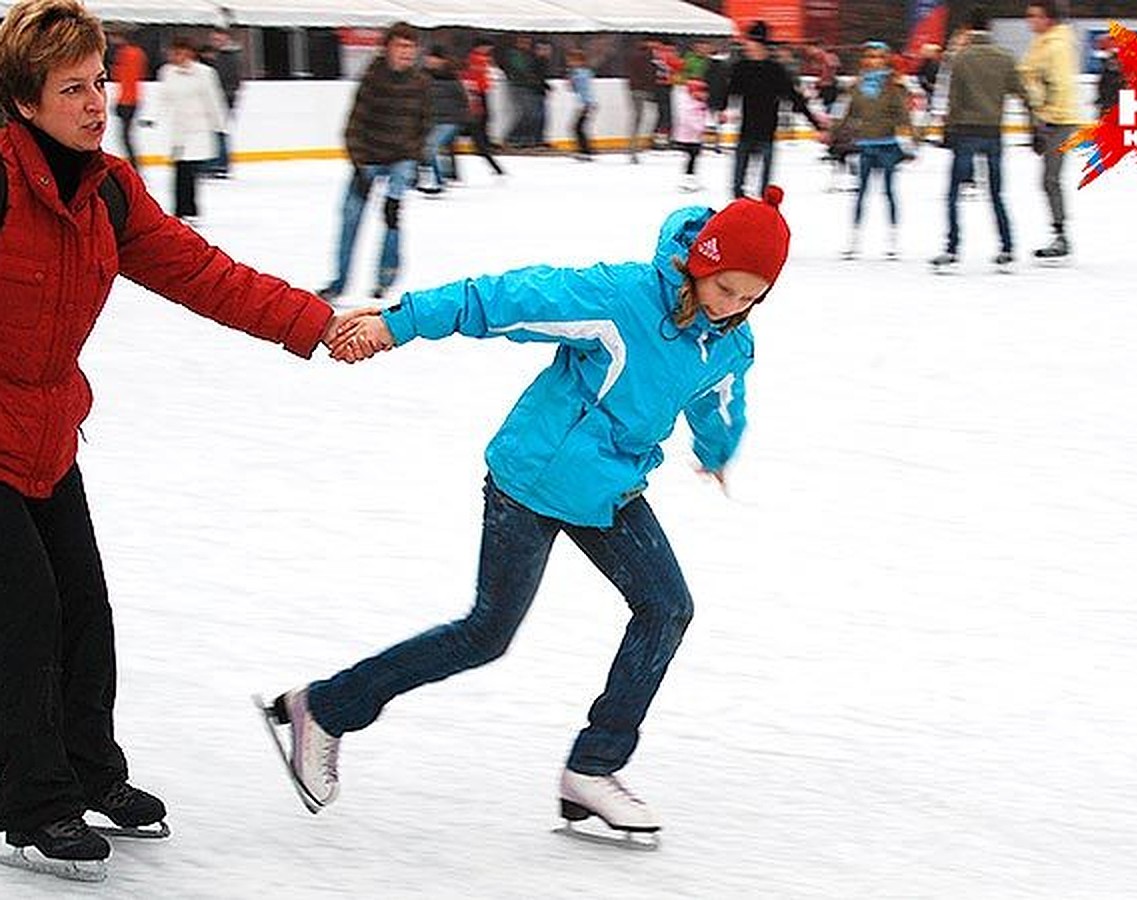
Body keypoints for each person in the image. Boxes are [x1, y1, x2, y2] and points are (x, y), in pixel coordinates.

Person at [262, 187, 793, 840]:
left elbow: (716, 400)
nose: (735, 306)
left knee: (667, 607)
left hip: (610, 492)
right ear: (701, 263)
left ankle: (593, 769)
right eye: (728, 288)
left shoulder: (730, 341)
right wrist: (396, 324)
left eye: (751, 296)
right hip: (532, 479)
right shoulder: (623, 297)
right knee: (487, 632)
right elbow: (505, 298)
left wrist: (718, 451)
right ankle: (327, 706)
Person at [0, 0, 370, 882]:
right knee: (24, 617)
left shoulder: (108, 190)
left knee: (85, 614)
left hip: (48, 429)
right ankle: (31, 803)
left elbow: (205, 274)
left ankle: (89, 774)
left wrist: (316, 323)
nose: (97, 103)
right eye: (73, 89)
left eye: (98, 83)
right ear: (22, 101)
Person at [317, 22, 431, 303]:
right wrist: (359, 165)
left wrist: (415, 159)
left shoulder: (421, 83)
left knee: (392, 214)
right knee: (350, 217)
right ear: (387, 48)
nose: (406, 53)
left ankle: (385, 277)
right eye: (400, 46)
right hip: (368, 157)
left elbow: (425, 126)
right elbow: (355, 123)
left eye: (410, 48)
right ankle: (339, 283)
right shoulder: (372, 78)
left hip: (402, 158)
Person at [930, 5, 1027, 274]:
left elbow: (954, 99)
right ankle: (1007, 247)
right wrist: (1033, 123)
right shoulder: (1005, 57)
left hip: (965, 132)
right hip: (993, 133)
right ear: (990, 27)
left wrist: (947, 130)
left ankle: (951, 248)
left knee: (952, 193)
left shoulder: (961, 58)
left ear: (968, 28)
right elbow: (1021, 93)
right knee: (996, 193)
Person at [724, 20, 826, 199]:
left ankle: (763, 215)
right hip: (746, 131)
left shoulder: (775, 71)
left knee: (765, 188)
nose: (746, 46)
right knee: (737, 185)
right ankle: (740, 213)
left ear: (759, 44)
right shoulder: (741, 68)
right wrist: (720, 108)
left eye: (750, 42)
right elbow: (729, 92)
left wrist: (816, 125)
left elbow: (795, 99)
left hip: (767, 132)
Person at [1020, 0, 1080, 262]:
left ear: (1048, 19)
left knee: (1050, 179)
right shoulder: (1042, 42)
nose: (1029, 21)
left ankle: (1061, 235)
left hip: (1058, 120)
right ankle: (1059, 233)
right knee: (1048, 179)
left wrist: (1045, 121)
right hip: (1047, 118)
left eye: (1035, 16)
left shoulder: (1056, 47)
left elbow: (1060, 85)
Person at [840, 41, 912, 260]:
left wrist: (912, 137)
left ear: (886, 59)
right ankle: (854, 240)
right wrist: (834, 133)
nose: (874, 61)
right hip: (865, 146)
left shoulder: (893, 86)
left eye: (879, 57)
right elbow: (850, 114)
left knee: (889, 192)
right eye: (870, 56)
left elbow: (902, 115)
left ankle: (893, 239)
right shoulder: (857, 86)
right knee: (861, 193)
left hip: (887, 145)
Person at [157, 37, 226, 223]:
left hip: (197, 127)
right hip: (178, 128)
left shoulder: (204, 73)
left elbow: (213, 98)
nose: (174, 56)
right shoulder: (167, 72)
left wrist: (220, 124)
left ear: (189, 53)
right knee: (180, 168)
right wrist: (154, 118)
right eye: (172, 53)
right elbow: (164, 98)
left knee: (188, 169)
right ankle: (182, 209)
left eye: (178, 52)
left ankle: (188, 210)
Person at [419, 45, 467, 194]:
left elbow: (462, 99)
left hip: (449, 120)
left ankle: (437, 181)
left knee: (430, 147)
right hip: (430, 120)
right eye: (429, 58)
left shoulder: (451, 77)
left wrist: (462, 119)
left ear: (442, 60)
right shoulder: (421, 76)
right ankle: (435, 178)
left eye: (435, 58)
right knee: (427, 149)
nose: (431, 61)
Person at [461, 37, 505, 177]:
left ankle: (483, 141)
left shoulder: (483, 59)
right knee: (480, 121)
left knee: (486, 117)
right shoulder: (473, 60)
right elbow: (471, 77)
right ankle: (482, 142)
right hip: (476, 93)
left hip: (481, 92)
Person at [106, 26, 145, 173]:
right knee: (126, 135)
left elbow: (118, 75)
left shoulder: (124, 54)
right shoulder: (139, 54)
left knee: (125, 136)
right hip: (133, 99)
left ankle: (133, 164)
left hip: (126, 100)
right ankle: (134, 163)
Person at [206, 28, 242, 178]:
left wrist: (225, 95)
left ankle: (220, 164)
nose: (216, 42)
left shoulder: (228, 57)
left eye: (218, 39)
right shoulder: (219, 57)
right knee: (214, 131)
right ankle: (215, 162)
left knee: (219, 131)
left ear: (226, 39)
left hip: (224, 98)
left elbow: (229, 79)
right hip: (218, 98)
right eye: (214, 40)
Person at [625, 36, 657, 162]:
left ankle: (634, 146)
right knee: (640, 118)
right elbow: (649, 73)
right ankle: (633, 147)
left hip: (636, 89)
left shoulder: (635, 55)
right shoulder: (646, 56)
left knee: (640, 117)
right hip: (641, 89)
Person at [673, 78, 708, 191]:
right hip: (688, 137)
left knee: (694, 158)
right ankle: (687, 180)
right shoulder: (688, 105)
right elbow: (688, 120)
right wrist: (701, 128)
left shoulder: (699, 103)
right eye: (701, 92)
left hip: (695, 137)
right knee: (691, 158)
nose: (704, 94)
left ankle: (691, 178)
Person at [567, 47, 595, 161]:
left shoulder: (581, 73)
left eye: (572, 60)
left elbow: (576, 85)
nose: (569, 63)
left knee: (577, 128)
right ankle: (585, 150)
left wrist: (572, 77)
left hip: (586, 103)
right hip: (585, 103)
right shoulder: (581, 73)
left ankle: (585, 150)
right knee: (579, 128)